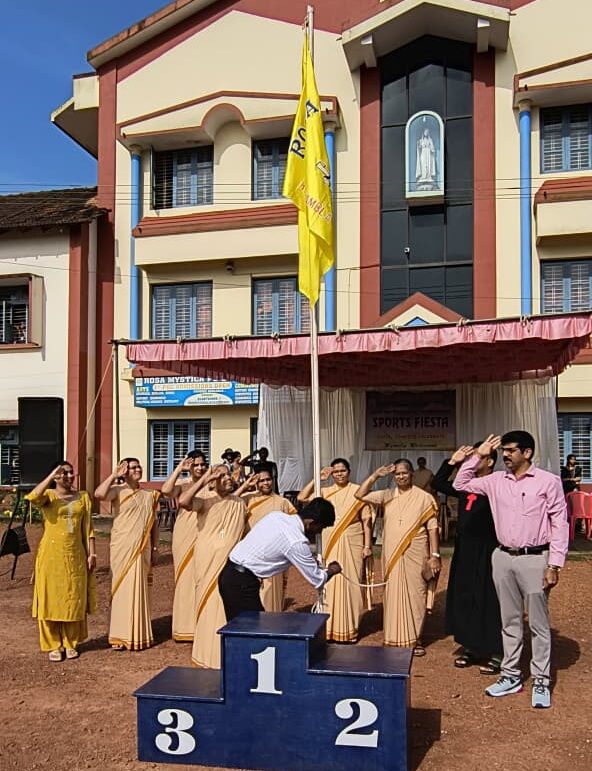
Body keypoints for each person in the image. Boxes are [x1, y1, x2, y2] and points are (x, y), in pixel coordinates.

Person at [453, 431, 569, 708]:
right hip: (503, 557)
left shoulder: (548, 481)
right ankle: (511, 674)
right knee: (509, 621)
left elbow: (559, 522)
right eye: (503, 450)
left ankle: (540, 679)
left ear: (527, 453)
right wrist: (478, 455)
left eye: (511, 450)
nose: (505, 455)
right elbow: (460, 483)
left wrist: (554, 564)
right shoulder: (495, 481)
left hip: (535, 558)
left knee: (538, 624)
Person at [356, 460, 440, 655]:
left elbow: (433, 528)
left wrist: (435, 555)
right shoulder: (387, 495)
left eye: (404, 473)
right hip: (391, 553)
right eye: (397, 474)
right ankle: (393, 637)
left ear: (411, 474)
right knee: (392, 593)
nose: (401, 477)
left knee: (416, 594)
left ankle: (415, 639)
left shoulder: (424, 498)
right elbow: (360, 494)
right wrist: (375, 475)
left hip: (415, 552)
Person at [433, 445, 502, 674]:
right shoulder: (465, 485)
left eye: (478, 457)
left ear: (489, 461)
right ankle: (471, 646)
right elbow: (438, 483)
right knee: (466, 596)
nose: (472, 461)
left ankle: (497, 650)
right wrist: (452, 462)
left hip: (489, 548)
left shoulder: (497, 484)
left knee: (490, 598)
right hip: (465, 550)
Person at [218, 497, 342, 622]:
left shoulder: (276, 516)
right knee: (250, 630)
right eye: (321, 527)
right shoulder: (296, 541)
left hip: (229, 573)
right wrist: (332, 569)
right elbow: (317, 580)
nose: (319, 533)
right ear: (311, 522)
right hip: (241, 583)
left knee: (240, 627)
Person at [25, 461, 96, 661]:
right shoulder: (48, 496)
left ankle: (70, 642)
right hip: (51, 555)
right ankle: (53, 644)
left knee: (73, 597)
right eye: (63, 473)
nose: (68, 476)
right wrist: (51, 476)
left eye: (70, 472)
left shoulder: (83, 497)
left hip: (75, 554)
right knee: (50, 598)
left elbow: (88, 527)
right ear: (55, 476)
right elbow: (33, 497)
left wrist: (92, 553)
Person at [298, 458, 373, 642]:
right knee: (330, 583)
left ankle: (349, 628)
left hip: (353, 540)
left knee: (351, 582)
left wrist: (367, 546)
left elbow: (366, 521)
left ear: (349, 471)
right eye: (336, 471)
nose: (340, 474)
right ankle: (330, 628)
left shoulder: (358, 490)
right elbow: (302, 497)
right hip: (329, 540)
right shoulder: (324, 491)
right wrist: (318, 478)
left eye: (343, 470)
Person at [179, 464, 247, 668]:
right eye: (221, 475)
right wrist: (205, 479)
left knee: (227, 604)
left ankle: (224, 653)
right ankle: (204, 653)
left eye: (228, 474)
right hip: (207, 560)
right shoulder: (205, 500)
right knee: (208, 604)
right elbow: (183, 501)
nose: (227, 478)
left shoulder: (239, 502)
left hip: (231, 562)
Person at [95, 458, 160, 651]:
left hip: (143, 547)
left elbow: (154, 523)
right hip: (122, 546)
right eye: (132, 467)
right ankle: (119, 634)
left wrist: (155, 547)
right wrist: (114, 475)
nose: (137, 469)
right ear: (125, 472)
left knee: (140, 588)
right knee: (122, 588)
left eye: (139, 466)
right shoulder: (117, 490)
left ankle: (140, 633)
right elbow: (99, 494)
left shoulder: (150, 495)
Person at [162, 450, 208, 641]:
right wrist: (179, 469)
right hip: (185, 534)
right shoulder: (183, 484)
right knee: (185, 579)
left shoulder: (211, 483)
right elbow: (166, 491)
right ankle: (184, 627)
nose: (199, 468)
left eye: (202, 464)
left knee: (203, 576)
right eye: (195, 465)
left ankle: (203, 623)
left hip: (205, 533)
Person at [236, 471, 297, 612]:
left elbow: (294, 525)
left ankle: (273, 620)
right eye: (261, 480)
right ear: (256, 482)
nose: (265, 483)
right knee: (251, 593)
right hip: (251, 553)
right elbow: (229, 502)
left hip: (274, 554)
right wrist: (245, 486)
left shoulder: (282, 502)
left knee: (272, 594)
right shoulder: (248, 499)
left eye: (268, 479)